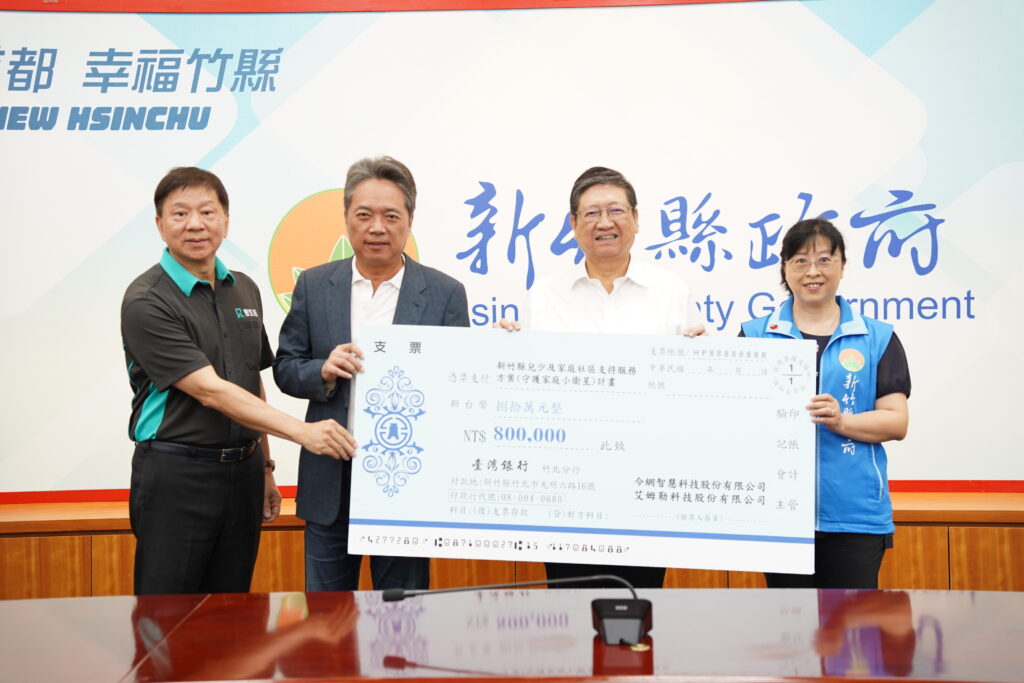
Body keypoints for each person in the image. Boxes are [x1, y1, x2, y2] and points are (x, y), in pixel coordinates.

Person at [121, 167, 355, 595]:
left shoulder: (243, 289)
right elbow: (210, 390)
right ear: (160, 225)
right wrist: (303, 432)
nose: (195, 224)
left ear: (226, 221)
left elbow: (250, 383)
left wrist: (265, 467)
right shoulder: (147, 299)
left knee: (232, 613)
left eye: (207, 212)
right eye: (180, 214)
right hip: (177, 476)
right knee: (166, 618)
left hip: (243, 475)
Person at [498, 166, 704, 588]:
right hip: (565, 486)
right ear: (573, 224)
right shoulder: (545, 294)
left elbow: (693, 389)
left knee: (639, 603)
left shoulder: (671, 290)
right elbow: (526, 386)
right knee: (569, 604)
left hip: (646, 483)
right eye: (591, 213)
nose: (604, 222)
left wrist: (703, 359)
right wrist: (503, 354)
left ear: (636, 219)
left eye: (616, 211)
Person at [274, 155, 470, 592]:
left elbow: (458, 386)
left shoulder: (444, 294)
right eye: (364, 215)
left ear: (410, 220)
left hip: (407, 485)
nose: (377, 227)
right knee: (327, 618)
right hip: (330, 481)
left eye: (390, 216)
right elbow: (285, 368)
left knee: (403, 618)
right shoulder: (314, 285)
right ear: (346, 217)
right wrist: (322, 371)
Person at [740, 218, 910, 589]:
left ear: (842, 266)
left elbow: (897, 422)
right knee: (789, 621)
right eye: (800, 260)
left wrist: (842, 421)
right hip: (779, 513)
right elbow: (737, 417)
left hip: (855, 516)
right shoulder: (755, 335)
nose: (812, 271)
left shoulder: (877, 337)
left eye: (824, 260)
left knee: (852, 623)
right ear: (785, 268)